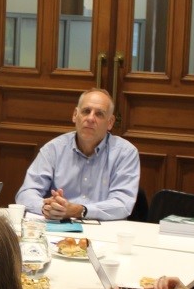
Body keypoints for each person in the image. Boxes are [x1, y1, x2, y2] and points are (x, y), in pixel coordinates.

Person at [15, 88, 140, 221]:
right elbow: (25, 193)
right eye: (86, 111)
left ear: (110, 123)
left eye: (99, 114)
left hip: (106, 231)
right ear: (75, 115)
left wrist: (80, 210)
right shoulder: (53, 149)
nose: (91, 118)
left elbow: (122, 204)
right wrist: (47, 207)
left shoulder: (125, 153)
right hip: (58, 229)